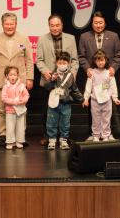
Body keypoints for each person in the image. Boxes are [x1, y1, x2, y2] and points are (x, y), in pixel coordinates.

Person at [0, 12, 33, 147]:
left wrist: (29, 78)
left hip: (20, 80)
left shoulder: (24, 38)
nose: (9, 26)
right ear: (2, 25)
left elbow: (30, 60)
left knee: (20, 107)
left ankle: (20, 135)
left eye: (11, 24)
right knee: (1, 109)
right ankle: (3, 134)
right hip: (1, 79)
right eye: (6, 24)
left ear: (16, 24)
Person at [77, 11, 120, 140]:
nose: (98, 25)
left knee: (108, 107)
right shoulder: (84, 37)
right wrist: (87, 69)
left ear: (105, 23)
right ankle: (94, 134)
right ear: (92, 23)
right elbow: (81, 56)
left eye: (100, 22)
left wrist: (113, 67)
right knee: (93, 109)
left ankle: (108, 133)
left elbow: (119, 54)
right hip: (93, 75)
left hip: (107, 75)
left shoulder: (113, 36)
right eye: (96, 23)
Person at [36, 14, 78, 145]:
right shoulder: (42, 39)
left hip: (65, 82)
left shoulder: (70, 38)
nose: (55, 28)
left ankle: (64, 136)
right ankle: (48, 136)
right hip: (49, 81)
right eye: (52, 25)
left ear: (62, 25)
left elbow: (75, 60)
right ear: (49, 26)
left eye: (57, 25)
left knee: (65, 111)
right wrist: (45, 71)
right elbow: (39, 60)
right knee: (48, 111)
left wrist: (72, 74)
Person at [44, 51, 83, 150]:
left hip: (66, 103)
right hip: (53, 103)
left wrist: (82, 99)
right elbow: (47, 87)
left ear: (68, 63)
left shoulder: (70, 76)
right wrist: (52, 80)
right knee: (51, 122)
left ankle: (63, 140)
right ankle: (52, 140)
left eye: (64, 63)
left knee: (65, 123)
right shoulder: (52, 74)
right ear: (56, 63)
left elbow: (74, 89)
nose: (62, 65)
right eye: (60, 63)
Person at [82, 50, 120, 141]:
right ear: (95, 61)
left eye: (102, 60)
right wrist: (86, 99)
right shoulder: (92, 73)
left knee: (106, 119)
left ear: (106, 60)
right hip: (95, 101)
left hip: (107, 101)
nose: (100, 62)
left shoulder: (109, 73)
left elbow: (113, 86)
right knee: (95, 119)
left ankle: (105, 135)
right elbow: (88, 87)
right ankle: (96, 135)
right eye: (98, 60)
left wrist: (115, 98)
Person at [1, 66, 29, 150]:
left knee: (20, 126)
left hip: (20, 110)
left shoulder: (21, 86)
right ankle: (10, 142)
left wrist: (22, 101)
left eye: (14, 75)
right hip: (10, 111)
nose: (13, 77)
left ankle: (19, 141)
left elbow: (26, 95)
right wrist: (13, 101)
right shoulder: (6, 87)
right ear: (7, 76)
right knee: (10, 127)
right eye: (11, 75)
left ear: (17, 76)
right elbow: (4, 98)